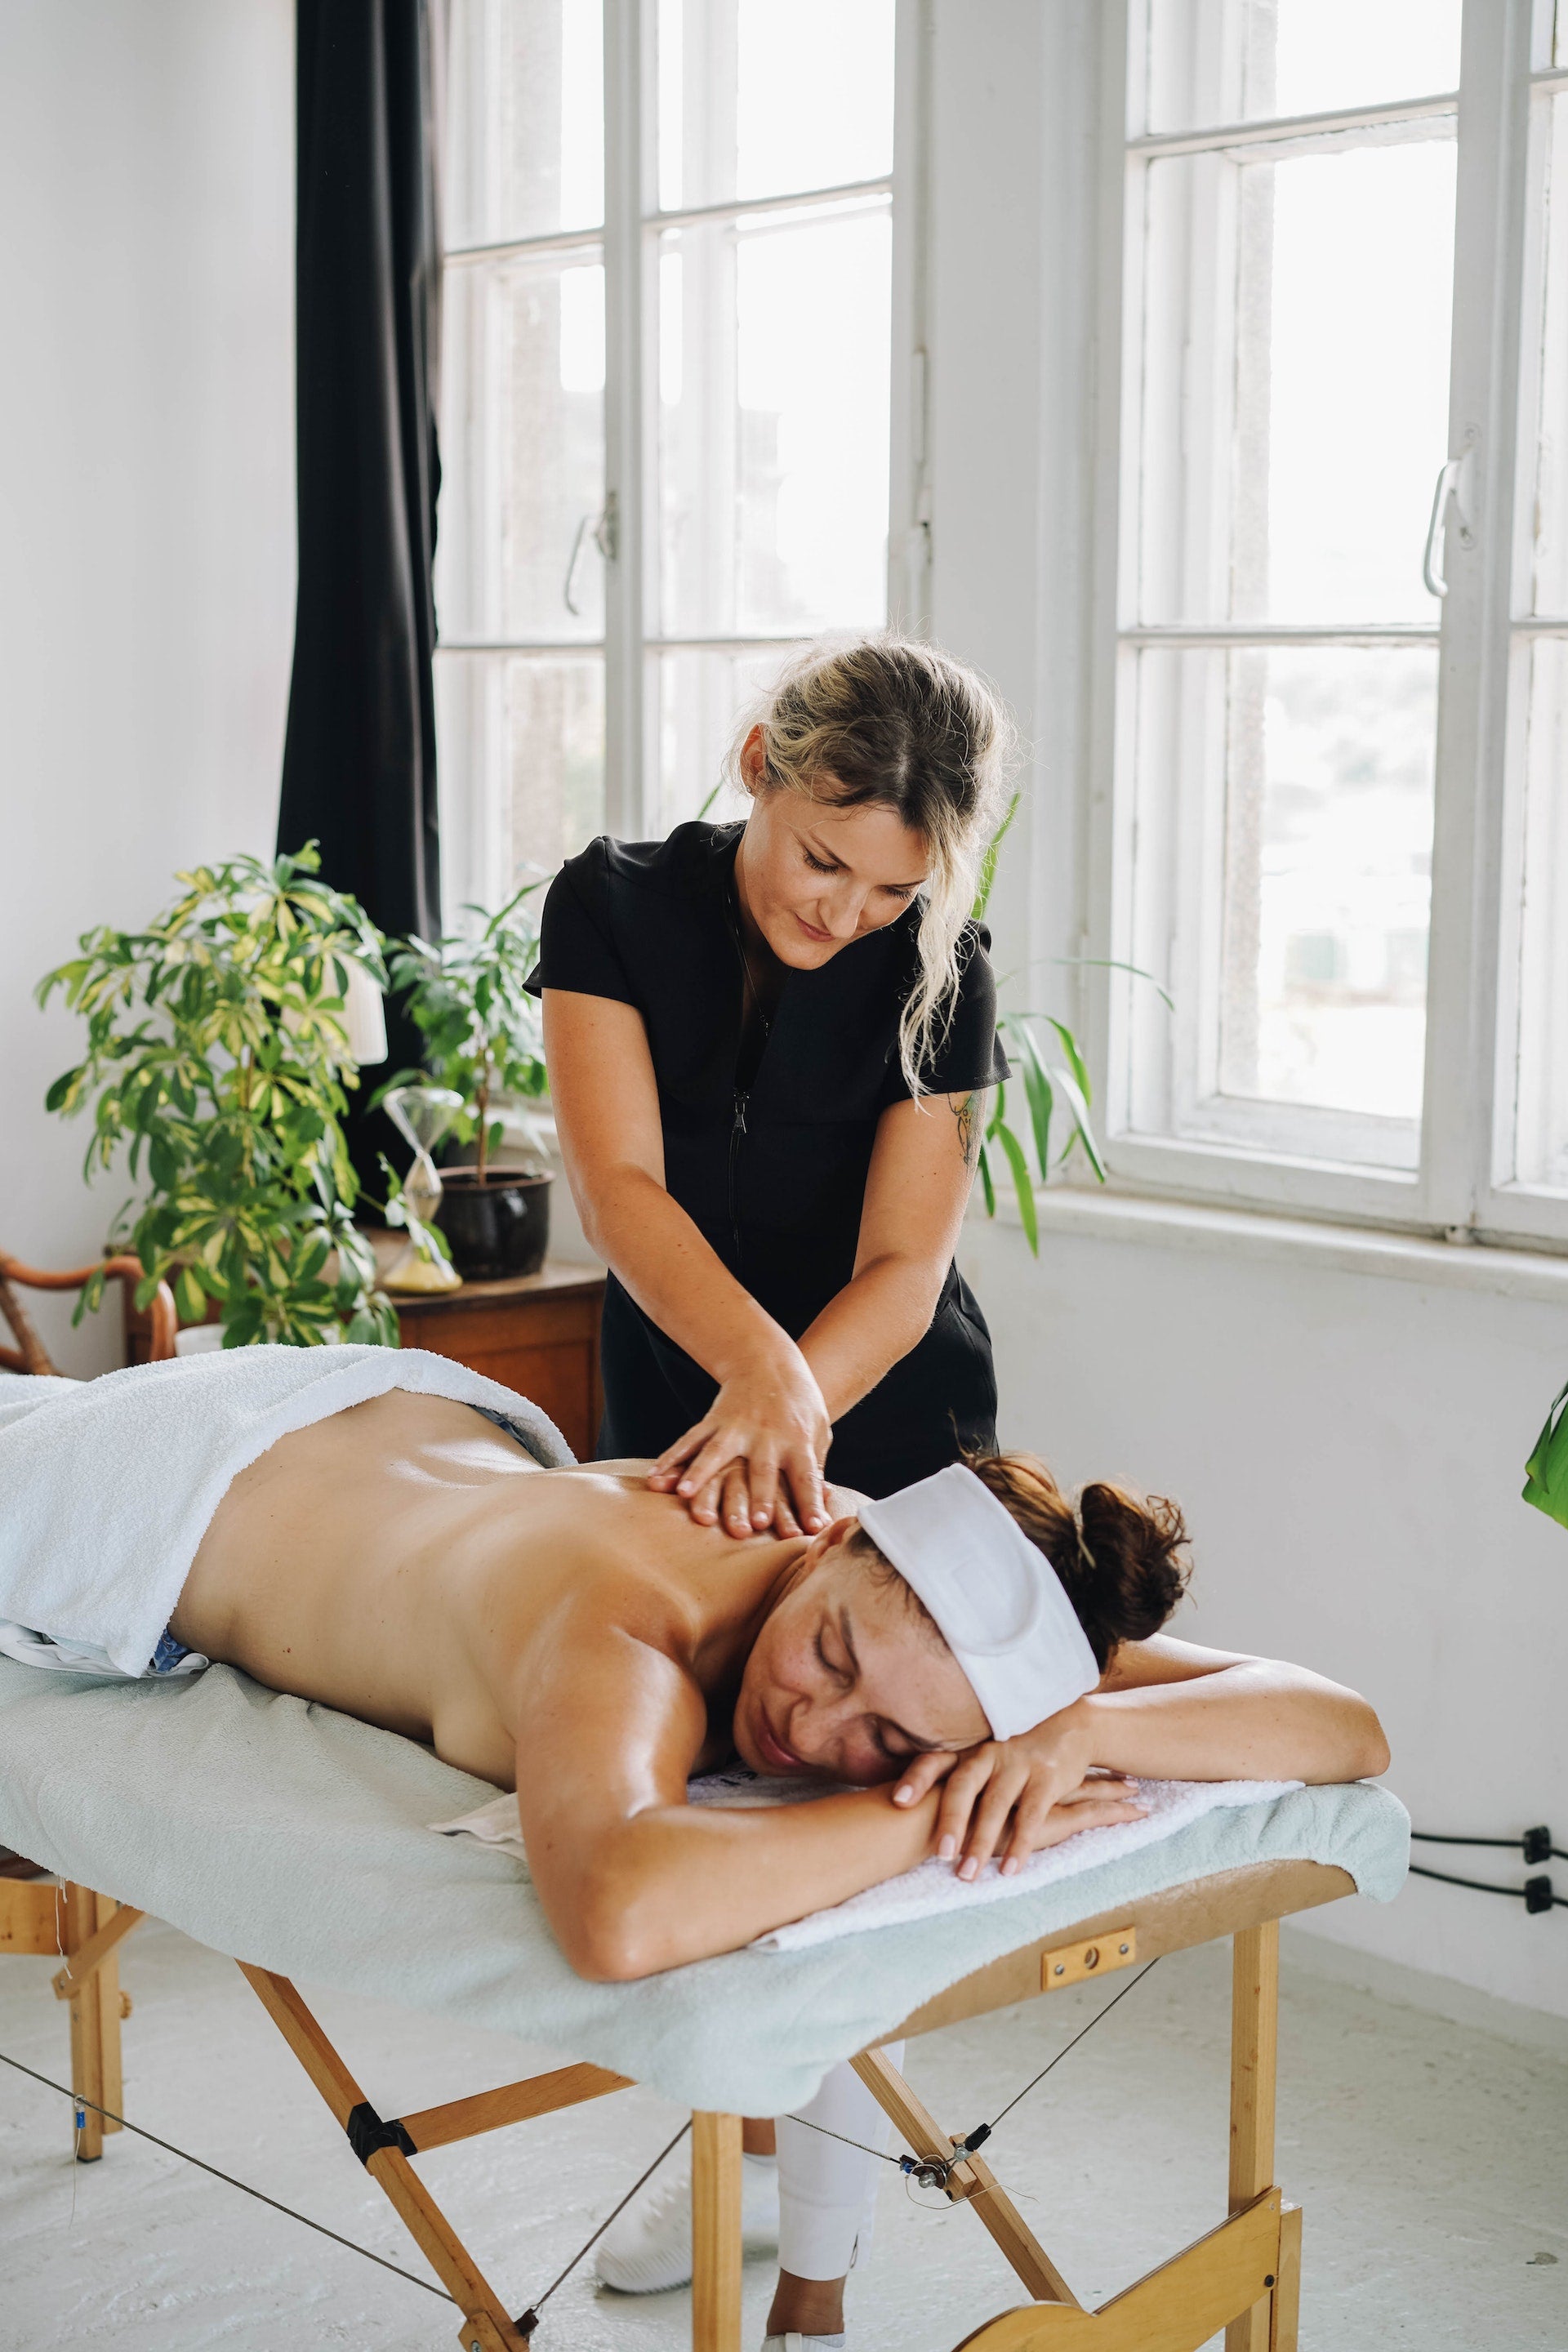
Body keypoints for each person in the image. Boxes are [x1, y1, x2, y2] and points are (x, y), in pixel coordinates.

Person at [149, 1375, 1386, 2352]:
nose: (816, 1729)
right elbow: (616, 1914)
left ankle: (813, 2282)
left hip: (413, 1432)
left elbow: (1341, 1724)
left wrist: (1079, 1731)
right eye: (830, 1657)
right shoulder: (622, 1613)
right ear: (833, 1530)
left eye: (896, 1742)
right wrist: (930, 1804)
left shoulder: (925, 1623)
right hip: (169, 1487)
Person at [532, 633, 1013, 1544]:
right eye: (823, 861)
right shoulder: (609, 909)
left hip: (892, 1422)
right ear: (760, 765)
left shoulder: (945, 969)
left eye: (894, 889)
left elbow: (906, 1263)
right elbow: (618, 1190)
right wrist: (761, 1388)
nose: (843, 916)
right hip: (678, 1414)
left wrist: (785, 1414)